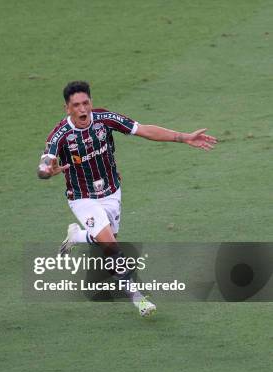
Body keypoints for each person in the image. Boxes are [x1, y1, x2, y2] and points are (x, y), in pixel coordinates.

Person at [37, 81, 217, 316]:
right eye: (76, 105)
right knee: (112, 247)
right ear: (67, 108)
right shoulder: (60, 135)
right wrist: (46, 171)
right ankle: (137, 297)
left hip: (112, 192)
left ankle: (78, 235)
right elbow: (45, 161)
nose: (82, 109)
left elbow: (143, 130)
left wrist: (183, 138)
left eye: (85, 103)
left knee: (107, 239)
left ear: (91, 102)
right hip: (83, 198)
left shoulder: (104, 118)